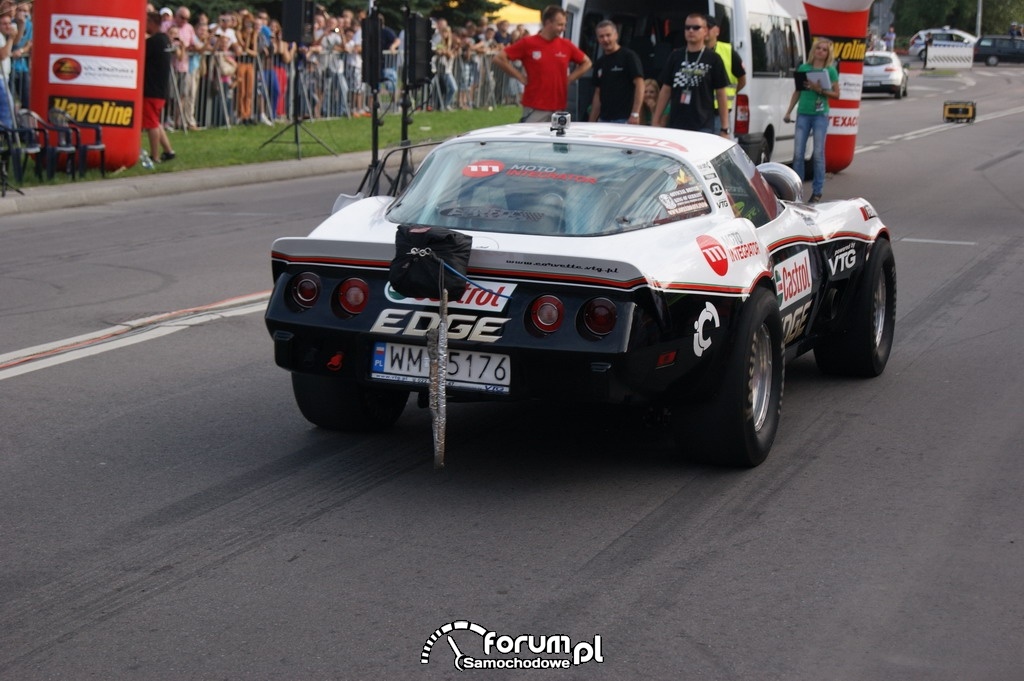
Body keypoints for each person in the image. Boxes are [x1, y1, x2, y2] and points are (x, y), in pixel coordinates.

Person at [492, 5, 592, 123]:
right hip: (535, 106)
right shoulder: (528, 43)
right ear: (548, 22)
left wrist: (569, 79)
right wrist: (520, 77)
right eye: (560, 24)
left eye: (564, 25)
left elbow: (587, 62)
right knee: (531, 139)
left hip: (558, 106)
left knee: (556, 140)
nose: (563, 28)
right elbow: (499, 58)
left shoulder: (566, 45)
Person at [653, 13, 730, 135]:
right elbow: (666, 89)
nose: (691, 31)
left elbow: (721, 94)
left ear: (705, 31)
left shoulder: (713, 59)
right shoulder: (675, 56)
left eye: (696, 27)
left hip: (703, 126)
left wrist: (725, 128)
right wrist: (656, 120)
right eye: (687, 27)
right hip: (676, 124)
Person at [783, 37, 839, 203]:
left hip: (820, 114)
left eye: (824, 49)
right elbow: (797, 91)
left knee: (818, 154)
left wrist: (820, 90)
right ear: (813, 50)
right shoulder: (804, 68)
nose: (820, 52)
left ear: (828, 53)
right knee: (798, 153)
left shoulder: (830, 71)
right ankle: (797, 190)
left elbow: (837, 94)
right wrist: (788, 112)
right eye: (818, 48)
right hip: (803, 113)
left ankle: (817, 191)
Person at [588, 20, 644, 124]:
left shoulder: (629, 56)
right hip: (603, 119)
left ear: (616, 35)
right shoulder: (600, 62)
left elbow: (640, 84)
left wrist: (635, 113)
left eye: (608, 35)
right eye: (601, 36)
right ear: (598, 39)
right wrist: (592, 121)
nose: (605, 39)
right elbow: (598, 93)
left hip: (625, 119)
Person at [143, 12, 176, 162]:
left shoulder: (153, 42)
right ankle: (168, 151)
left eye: (145, 22)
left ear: (152, 23)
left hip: (151, 89)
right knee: (155, 121)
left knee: (151, 125)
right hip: (161, 89)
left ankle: (155, 156)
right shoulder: (165, 40)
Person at [705, 14, 745, 135]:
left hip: (719, 112)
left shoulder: (728, 51)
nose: (705, 30)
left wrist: (729, 94)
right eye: (703, 27)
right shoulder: (692, 51)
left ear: (717, 31)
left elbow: (742, 80)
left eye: (709, 27)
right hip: (698, 112)